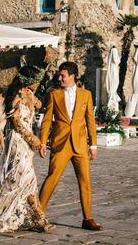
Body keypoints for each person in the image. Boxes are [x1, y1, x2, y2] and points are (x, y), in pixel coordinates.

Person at [0, 65, 53, 233]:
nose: (38, 84)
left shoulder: (29, 94)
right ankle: (40, 219)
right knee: (27, 179)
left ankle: (32, 217)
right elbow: (17, 123)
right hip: (18, 143)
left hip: (27, 146)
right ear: (28, 80)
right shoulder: (16, 96)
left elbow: (41, 105)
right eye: (36, 81)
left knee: (23, 181)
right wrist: (34, 140)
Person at [38, 61, 102, 231]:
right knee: (52, 178)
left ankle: (87, 218)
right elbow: (46, 120)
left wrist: (93, 145)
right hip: (60, 144)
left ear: (72, 76)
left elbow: (90, 121)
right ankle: (38, 215)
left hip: (81, 145)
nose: (59, 78)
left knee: (85, 182)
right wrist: (42, 142)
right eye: (59, 75)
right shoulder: (53, 94)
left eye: (63, 75)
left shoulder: (86, 94)